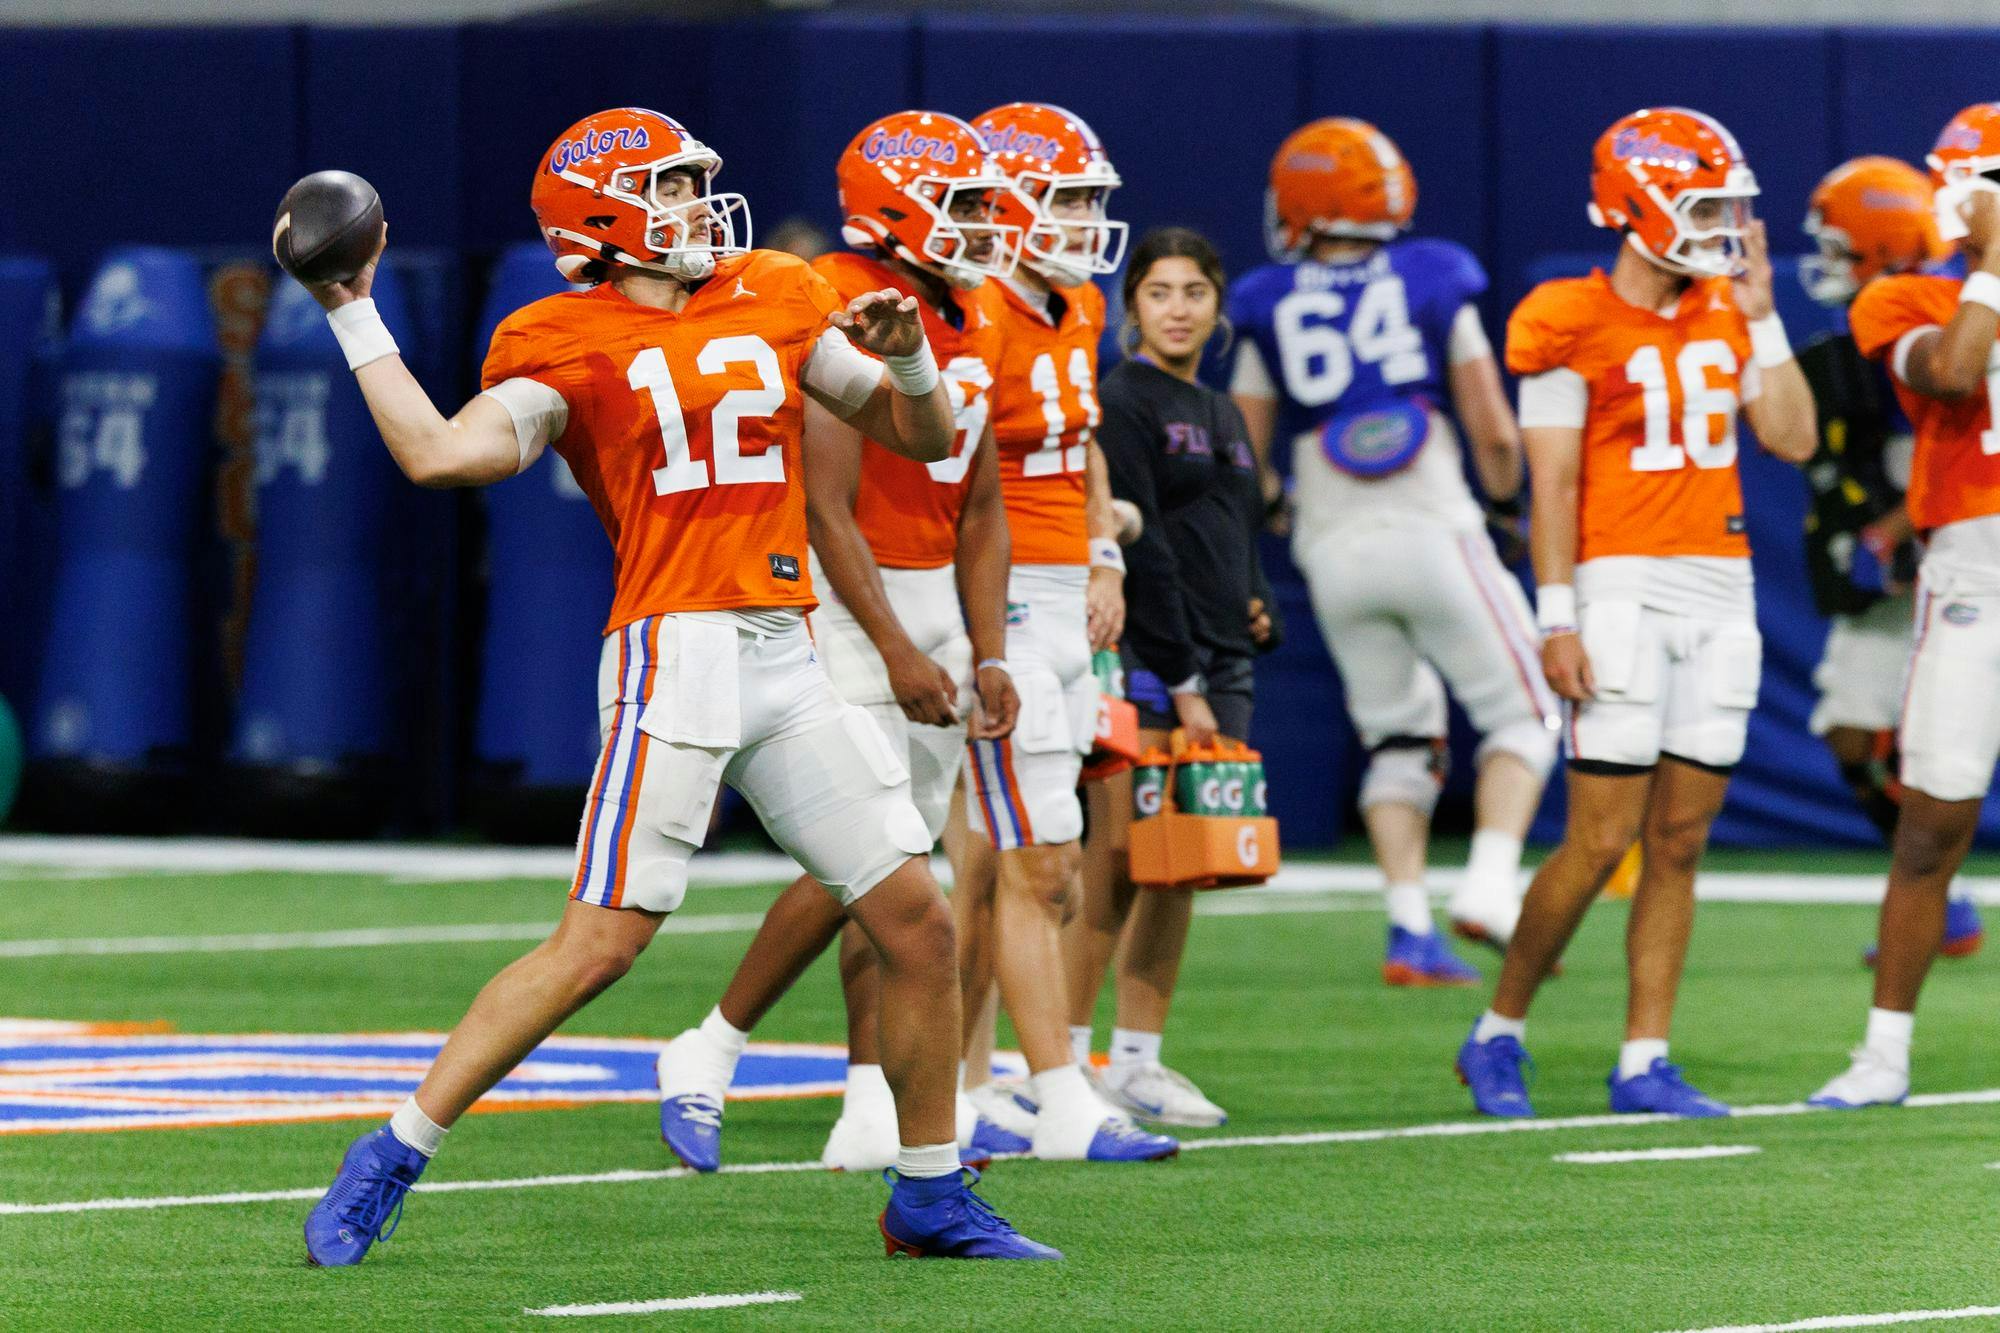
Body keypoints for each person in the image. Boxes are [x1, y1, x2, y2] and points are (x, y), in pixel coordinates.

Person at [297, 107, 1057, 1263]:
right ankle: (392, 1150)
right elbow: (438, 454)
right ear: (605, 220)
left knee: (918, 923)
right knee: (598, 947)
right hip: (676, 653)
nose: (701, 205)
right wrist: (354, 312)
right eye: (670, 186)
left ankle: (928, 1194)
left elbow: (919, 437)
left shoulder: (777, 288)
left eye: (697, 181)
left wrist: (908, 352)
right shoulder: (559, 334)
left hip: (786, 646)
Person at [652, 109, 1032, 1172]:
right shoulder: (843, 294)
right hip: (845, 595)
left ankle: (872, 1105)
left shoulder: (979, 308)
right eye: (960, 203)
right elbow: (825, 503)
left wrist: (984, 645)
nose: (983, 223)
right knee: (868, 855)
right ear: (899, 204)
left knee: (897, 866)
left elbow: (983, 499)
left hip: (933, 604)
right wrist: (897, 645)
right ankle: (712, 1045)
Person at [1457, 106, 1816, 1119]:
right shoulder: (1562, 316)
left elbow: (1789, 438)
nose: (1720, 226)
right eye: (1701, 205)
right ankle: (1497, 1031)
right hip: (1617, 585)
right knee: (1598, 835)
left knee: (1682, 838)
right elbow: (1552, 480)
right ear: (1638, 203)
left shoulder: (1724, 307)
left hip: (1720, 585)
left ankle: (1642, 1057)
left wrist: (1760, 312)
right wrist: (1555, 615)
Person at [1229, 118, 1555, 986]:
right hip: (1430, 515)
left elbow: (1246, 452)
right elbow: (1490, 426)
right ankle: (1489, 885)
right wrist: (1507, 505)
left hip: (1334, 540)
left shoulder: (1264, 296)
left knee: (1401, 740)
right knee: (1526, 714)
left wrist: (1278, 515)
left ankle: (1410, 926)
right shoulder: (1434, 273)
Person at [948, 101, 1178, 1163]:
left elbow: (1078, 441)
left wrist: (1103, 553)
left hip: (1062, 593)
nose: (1088, 219)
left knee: (1027, 860)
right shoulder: (971, 305)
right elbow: (943, 470)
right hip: (996, 600)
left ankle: (970, 1084)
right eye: (1070, 197)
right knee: (1029, 863)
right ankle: (1047, 1095)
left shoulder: (1076, 301)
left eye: (1092, 199)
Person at [1060, 227, 1277, 1128]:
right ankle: (1067, 1058)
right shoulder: (1122, 399)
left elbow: (1234, 524)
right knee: (1114, 860)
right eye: (1160, 292)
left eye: (1195, 290)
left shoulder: (1223, 411)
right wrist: (1181, 675)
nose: (1180, 307)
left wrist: (1258, 603)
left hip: (1222, 658)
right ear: (1132, 306)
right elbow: (1136, 551)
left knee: (1182, 862)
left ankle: (1140, 1058)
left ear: (1217, 304)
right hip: (1153, 656)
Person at [1807, 104, 2000, 1110]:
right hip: (1974, 571)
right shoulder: (1900, 297)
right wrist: (1995, 260)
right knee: (1931, 822)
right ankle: (1881, 1053)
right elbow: (1957, 371)